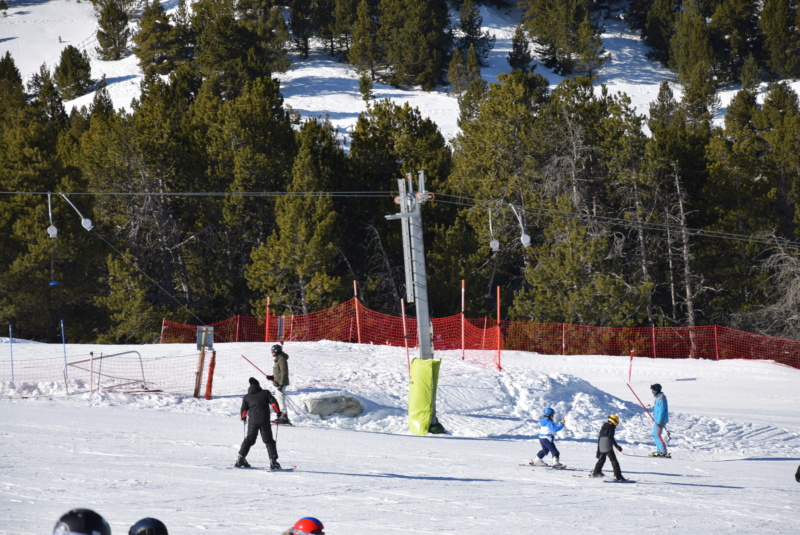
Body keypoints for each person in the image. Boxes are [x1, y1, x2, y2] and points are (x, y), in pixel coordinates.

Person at [235, 377, 285, 469]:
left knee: (249, 439)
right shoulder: (265, 393)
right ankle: (273, 461)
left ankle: (241, 458)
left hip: (252, 422)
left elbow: (244, 409)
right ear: (258, 385)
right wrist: (278, 413)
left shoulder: (247, 397)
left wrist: (243, 417)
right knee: (269, 441)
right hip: (264, 421)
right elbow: (273, 403)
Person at [591, 414, 627, 481]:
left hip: (601, 444)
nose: (617, 422)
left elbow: (599, 437)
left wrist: (598, 450)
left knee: (602, 459)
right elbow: (610, 437)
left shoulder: (604, 426)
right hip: (607, 445)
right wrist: (617, 446)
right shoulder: (611, 426)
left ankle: (596, 472)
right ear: (613, 420)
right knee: (614, 461)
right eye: (617, 421)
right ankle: (618, 476)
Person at [267, 343, 291, 425]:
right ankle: (281, 415)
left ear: (276, 351)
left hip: (281, 384)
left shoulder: (281, 359)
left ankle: (284, 417)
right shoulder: (279, 359)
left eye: (273, 351)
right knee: (278, 399)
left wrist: (281, 384)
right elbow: (279, 373)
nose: (272, 353)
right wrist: (272, 377)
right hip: (278, 383)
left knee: (280, 400)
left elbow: (284, 372)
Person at [650, 383, 670, 457]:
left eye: (654, 390)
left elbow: (661, 411)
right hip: (658, 419)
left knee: (657, 434)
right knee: (655, 434)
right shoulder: (658, 398)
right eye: (652, 390)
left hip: (660, 420)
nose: (652, 391)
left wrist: (658, 421)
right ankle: (659, 450)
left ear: (657, 390)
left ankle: (663, 451)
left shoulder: (661, 398)